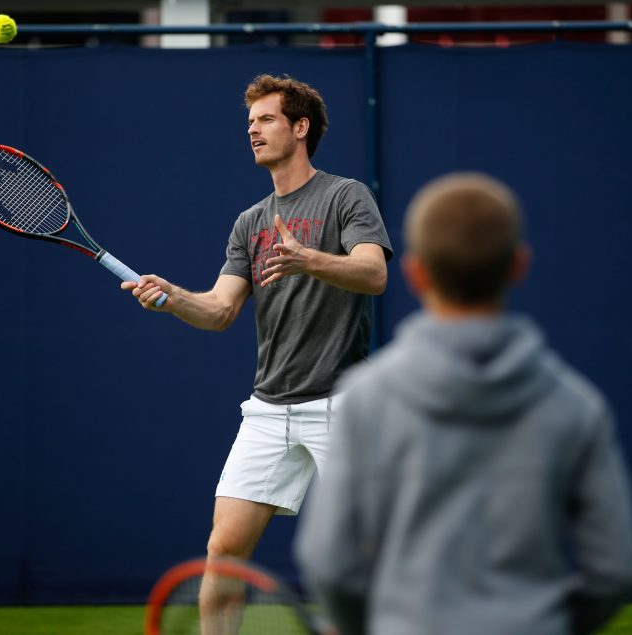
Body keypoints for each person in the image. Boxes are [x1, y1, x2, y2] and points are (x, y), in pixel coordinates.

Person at [295, 173, 632, 635]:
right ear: (518, 266)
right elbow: (616, 569)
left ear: (415, 273)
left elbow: (328, 561)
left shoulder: (365, 399)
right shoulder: (576, 404)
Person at [122, 75, 392, 630]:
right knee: (223, 549)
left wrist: (307, 258)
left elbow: (374, 274)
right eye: (250, 121)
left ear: (300, 127)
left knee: (369, 556)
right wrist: (172, 298)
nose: (253, 129)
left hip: (341, 407)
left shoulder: (346, 196)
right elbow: (220, 310)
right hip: (269, 410)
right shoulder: (250, 222)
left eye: (266, 119)